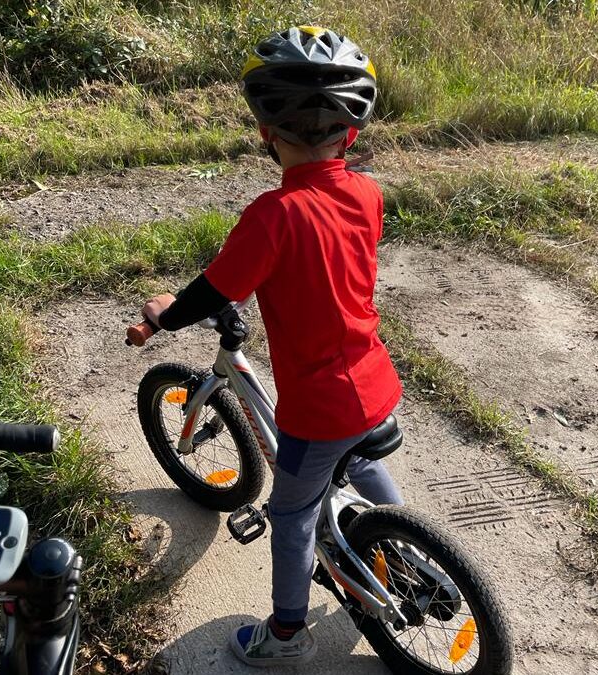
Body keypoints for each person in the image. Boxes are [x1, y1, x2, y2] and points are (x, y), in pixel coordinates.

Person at [137, 25, 404, 667]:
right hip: (375, 380)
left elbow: (212, 290)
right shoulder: (367, 192)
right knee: (360, 461)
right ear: (354, 134)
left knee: (290, 520)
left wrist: (163, 316)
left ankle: (287, 635)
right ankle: (399, 552)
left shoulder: (273, 215)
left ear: (264, 132)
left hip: (319, 406)